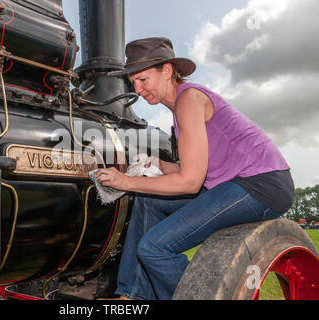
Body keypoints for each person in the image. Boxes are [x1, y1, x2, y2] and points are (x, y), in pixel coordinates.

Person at [94, 37, 294, 300]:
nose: (138, 89)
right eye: (133, 83)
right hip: (234, 183)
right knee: (147, 201)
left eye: (143, 80)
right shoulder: (181, 108)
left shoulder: (189, 99)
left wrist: (125, 182)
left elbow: (190, 182)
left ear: (166, 71)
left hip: (261, 184)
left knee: (155, 247)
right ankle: (133, 295)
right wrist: (163, 166)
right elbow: (198, 170)